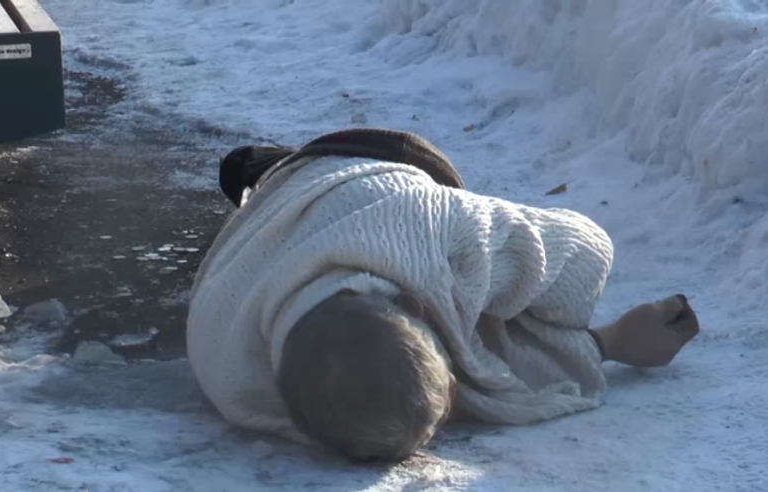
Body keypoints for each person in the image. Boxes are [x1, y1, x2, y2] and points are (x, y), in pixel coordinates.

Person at [186, 128, 700, 463]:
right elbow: (379, 392)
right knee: (476, 334)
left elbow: (583, 249)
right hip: (264, 226)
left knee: (491, 286)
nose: (461, 399)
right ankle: (271, 172)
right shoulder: (242, 381)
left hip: (373, 161)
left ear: (414, 303)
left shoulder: (431, 230)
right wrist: (606, 344)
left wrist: (570, 312)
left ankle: (287, 164)